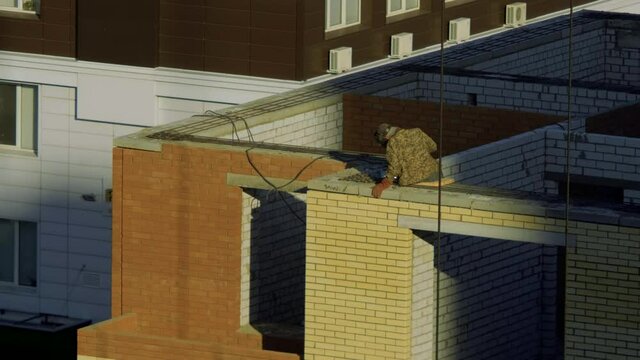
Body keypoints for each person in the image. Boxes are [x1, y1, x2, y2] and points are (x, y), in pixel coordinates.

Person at [371, 123, 439, 198]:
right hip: (434, 172)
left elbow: (394, 169)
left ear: (386, 138)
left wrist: (383, 184)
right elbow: (433, 147)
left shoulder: (392, 143)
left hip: (414, 181)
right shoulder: (416, 131)